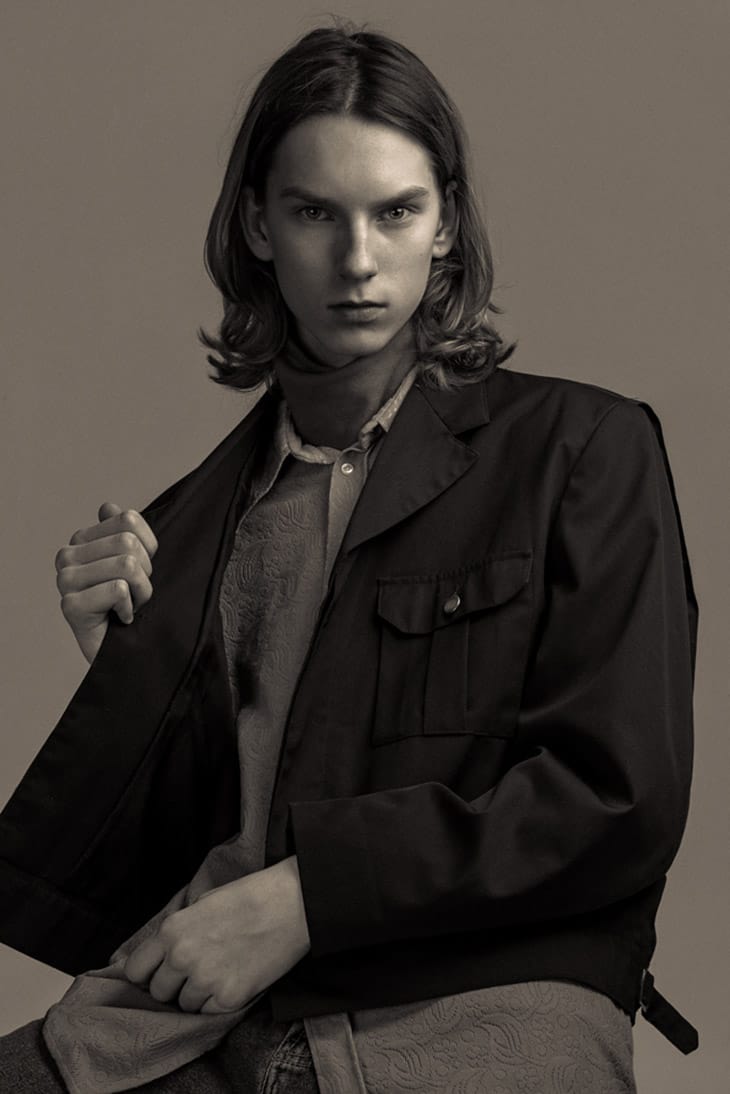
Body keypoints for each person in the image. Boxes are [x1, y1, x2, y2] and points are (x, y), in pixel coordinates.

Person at [0, 21, 699, 1094]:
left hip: (478, 1008)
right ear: (259, 224)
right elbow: (211, 852)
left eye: (396, 212)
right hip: (196, 1028)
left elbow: (616, 798)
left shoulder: (583, 450)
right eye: (316, 212)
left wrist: (311, 896)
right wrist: (134, 676)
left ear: (446, 223)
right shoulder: (197, 521)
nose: (359, 260)